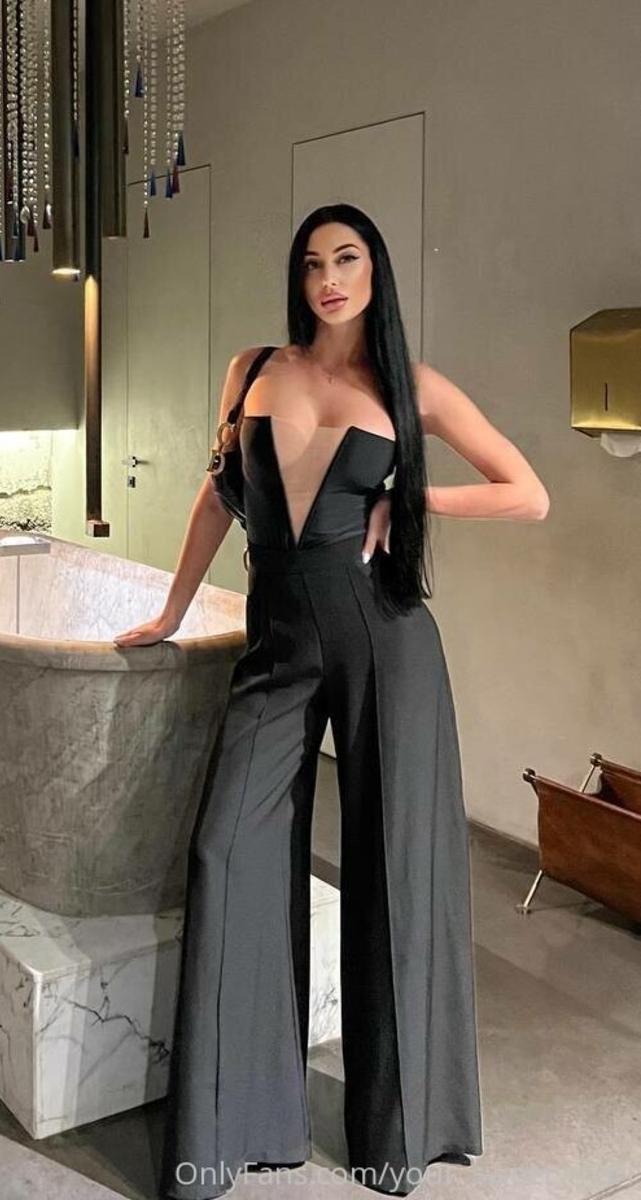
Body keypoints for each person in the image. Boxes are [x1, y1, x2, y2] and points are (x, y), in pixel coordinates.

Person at [114, 202, 549, 1199]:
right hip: (276, 643)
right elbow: (217, 494)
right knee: (226, 849)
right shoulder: (252, 369)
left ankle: (399, 1135)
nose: (329, 279)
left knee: (395, 873)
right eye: (313, 262)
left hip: (382, 640)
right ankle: (234, 1128)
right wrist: (172, 610)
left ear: (374, 270)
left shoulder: (410, 385)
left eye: (347, 259)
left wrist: (414, 496)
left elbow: (528, 492)